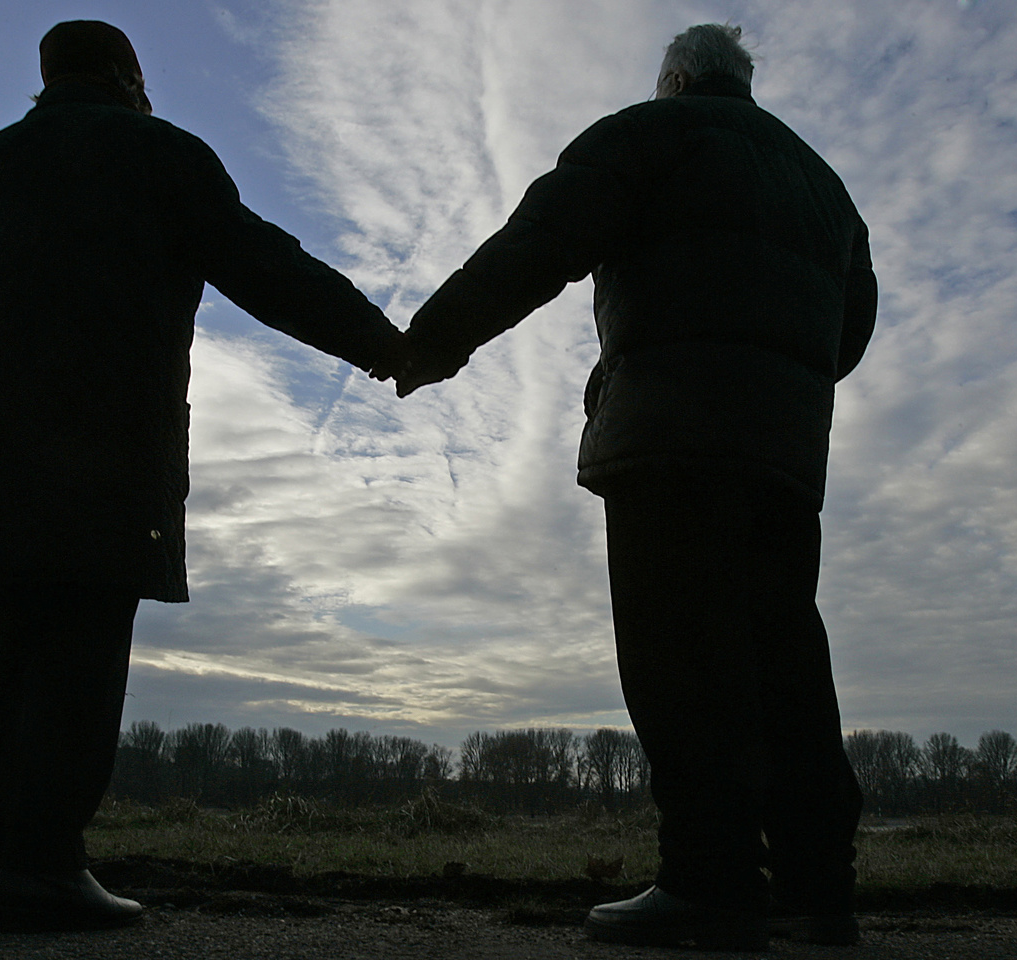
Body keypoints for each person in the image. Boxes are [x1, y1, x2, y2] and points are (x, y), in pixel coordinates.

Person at [384, 24, 876, 951]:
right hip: (782, 457)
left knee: (680, 655)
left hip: (668, 440)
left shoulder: (649, 135)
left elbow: (542, 240)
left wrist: (434, 338)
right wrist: (784, 388)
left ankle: (711, 882)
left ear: (679, 79)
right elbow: (850, 327)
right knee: (786, 661)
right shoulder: (825, 186)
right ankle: (819, 889)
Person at [0, 21, 403, 932]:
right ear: (131, 79)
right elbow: (265, 265)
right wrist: (382, 345)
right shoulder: (158, 154)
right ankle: (42, 868)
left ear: (46, 81)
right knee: (78, 649)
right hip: (103, 449)